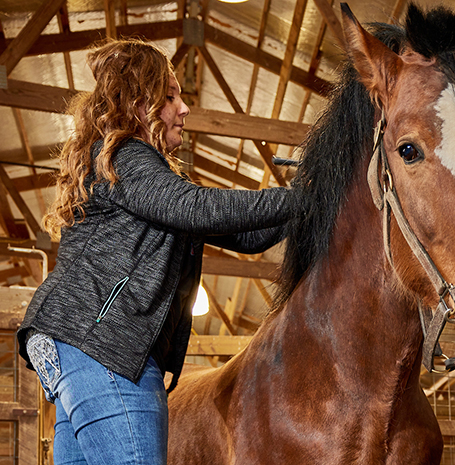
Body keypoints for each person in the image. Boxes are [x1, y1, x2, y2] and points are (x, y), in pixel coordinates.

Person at [16, 38, 293, 465]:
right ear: (138, 103)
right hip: (103, 345)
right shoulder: (124, 155)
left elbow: (247, 238)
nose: (184, 109)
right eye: (169, 97)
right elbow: (195, 207)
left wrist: (312, 200)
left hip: (78, 345)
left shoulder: (137, 174)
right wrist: (304, 200)